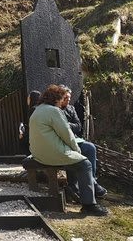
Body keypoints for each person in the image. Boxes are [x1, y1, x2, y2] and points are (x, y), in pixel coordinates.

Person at [29, 84, 109, 216]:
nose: (62, 102)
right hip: (51, 154)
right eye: (61, 98)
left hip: (38, 154)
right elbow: (67, 135)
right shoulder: (54, 111)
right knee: (85, 164)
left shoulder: (37, 110)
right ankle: (89, 205)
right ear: (56, 98)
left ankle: (78, 189)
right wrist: (77, 151)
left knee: (78, 158)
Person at [59, 86, 107, 202]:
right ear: (59, 97)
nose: (68, 100)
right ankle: (77, 187)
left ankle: (92, 181)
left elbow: (78, 126)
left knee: (90, 148)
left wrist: (67, 125)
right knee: (74, 153)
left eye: (69, 98)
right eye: (65, 98)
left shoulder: (71, 108)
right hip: (61, 141)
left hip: (74, 139)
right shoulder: (54, 109)